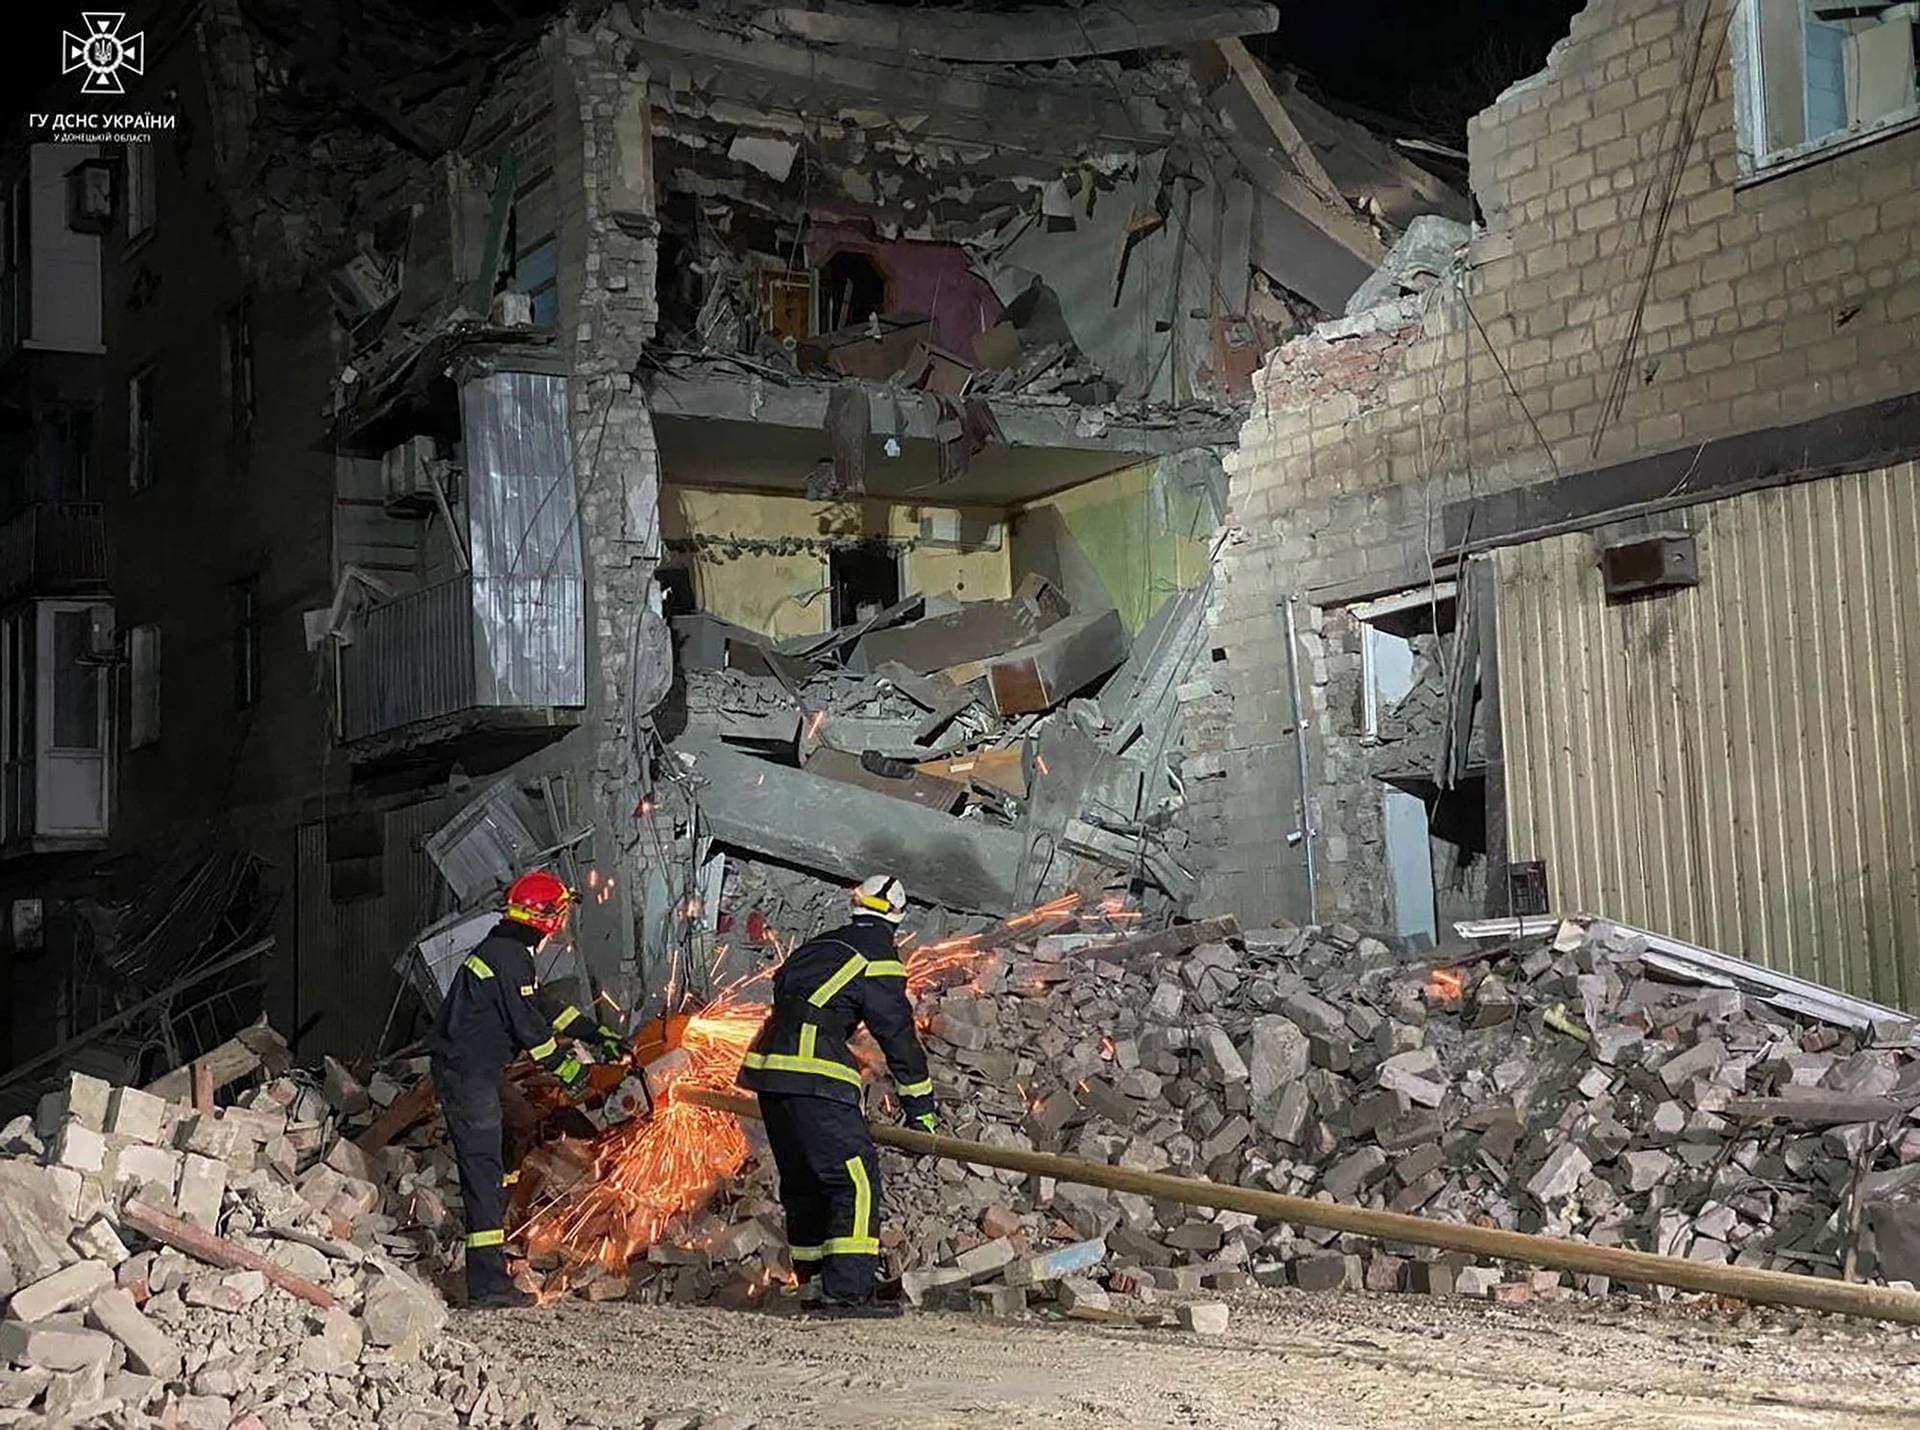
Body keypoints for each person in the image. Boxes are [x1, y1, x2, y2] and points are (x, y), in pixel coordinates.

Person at [739, 874, 937, 1315]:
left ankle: (812, 1283)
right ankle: (847, 1292)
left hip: (769, 1071)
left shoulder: (820, 945)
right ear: (897, 919)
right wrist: (920, 1107)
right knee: (856, 1179)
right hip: (815, 1074)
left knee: (805, 1181)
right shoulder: (878, 956)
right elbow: (897, 1034)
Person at [431, 869, 625, 1309]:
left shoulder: (511, 952)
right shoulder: (509, 955)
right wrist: (569, 1070)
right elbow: (530, 1029)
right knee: (480, 1167)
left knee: (520, 1124)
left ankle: (502, 1196)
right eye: (560, 911)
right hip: (467, 1073)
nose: (564, 919)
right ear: (545, 917)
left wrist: (597, 1035)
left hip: (480, 1068)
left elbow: (541, 1007)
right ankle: (488, 1286)